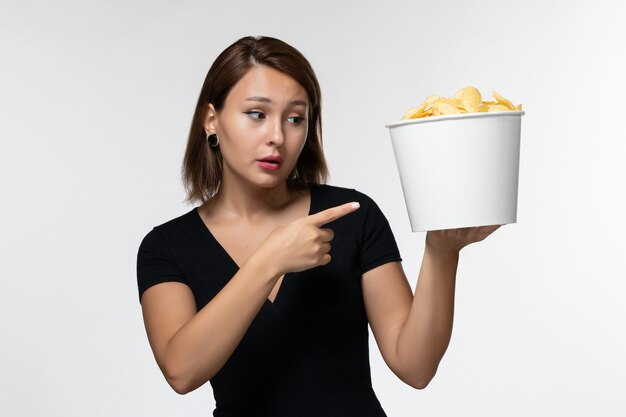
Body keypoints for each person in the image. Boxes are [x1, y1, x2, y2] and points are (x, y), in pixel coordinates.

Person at [136, 35, 500, 416]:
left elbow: (416, 367)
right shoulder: (167, 247)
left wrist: (441, 253)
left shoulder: (352, 215)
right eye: (257, 114)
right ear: (212, 119)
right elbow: (181, 371)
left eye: (295, 118)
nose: (277, 136)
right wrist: (270, 261)